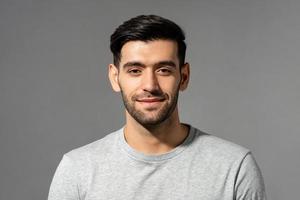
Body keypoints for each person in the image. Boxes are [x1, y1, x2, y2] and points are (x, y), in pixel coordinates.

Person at [48, 15, 266, 200]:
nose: (150, 85)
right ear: (115, 78)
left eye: (163, 70)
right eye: (135, 70)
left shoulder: (235, 167)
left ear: (184, 77)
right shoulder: (77, 170)